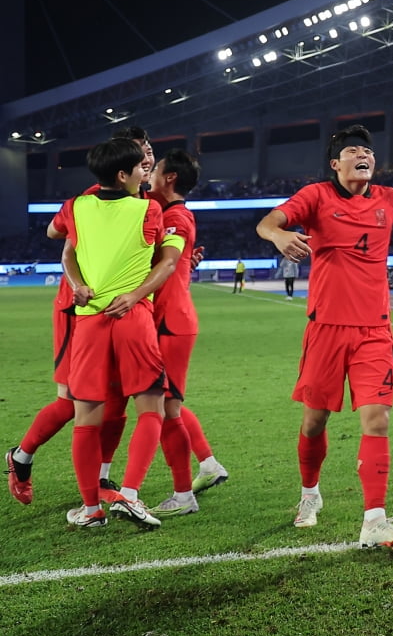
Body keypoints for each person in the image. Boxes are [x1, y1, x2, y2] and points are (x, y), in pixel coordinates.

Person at [256, 124, 393, 548]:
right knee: (314, 421)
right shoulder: (316, 197)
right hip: (326, 330)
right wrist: (278, 235)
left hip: (374, 330)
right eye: (352, 150)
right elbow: (268, 222)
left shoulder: (390, 200)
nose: (362, 155)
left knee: (378, 419)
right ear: (335, 163)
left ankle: (374, 521)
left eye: (366, 150)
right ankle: (310, 494)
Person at [7, 127, 156, 506]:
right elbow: (57, 234)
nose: (148, 159)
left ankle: (102, 479)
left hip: (122, 309)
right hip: (79, 308)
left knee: (117, 400)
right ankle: (21, 456)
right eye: (141, 153)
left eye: (150, 151)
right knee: (75, 401)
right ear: (119, 167)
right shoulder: (90, 200)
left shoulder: (142, 200)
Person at [57, 137, 185, 529]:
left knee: (86, 417)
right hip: (132, 317)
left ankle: (91, 508)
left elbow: (66, 253)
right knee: (151, 407)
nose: (145, 173)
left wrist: (77, 285)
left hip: (90, 321)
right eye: (140, 169)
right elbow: (166, 264)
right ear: (122, 174)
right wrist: (133, 296)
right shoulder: (148, 209)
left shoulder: (75, 207)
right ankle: (129, 494)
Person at [144, 149, 230, 517]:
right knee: (167, 404)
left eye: (155, 168)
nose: (148, 174)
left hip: (170, 321)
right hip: (164, 317)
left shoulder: (177, 215)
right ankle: (208, 466)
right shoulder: (163, 212)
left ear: (169, 178)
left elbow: (165, 263)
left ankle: (183, 495)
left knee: (165, 408)